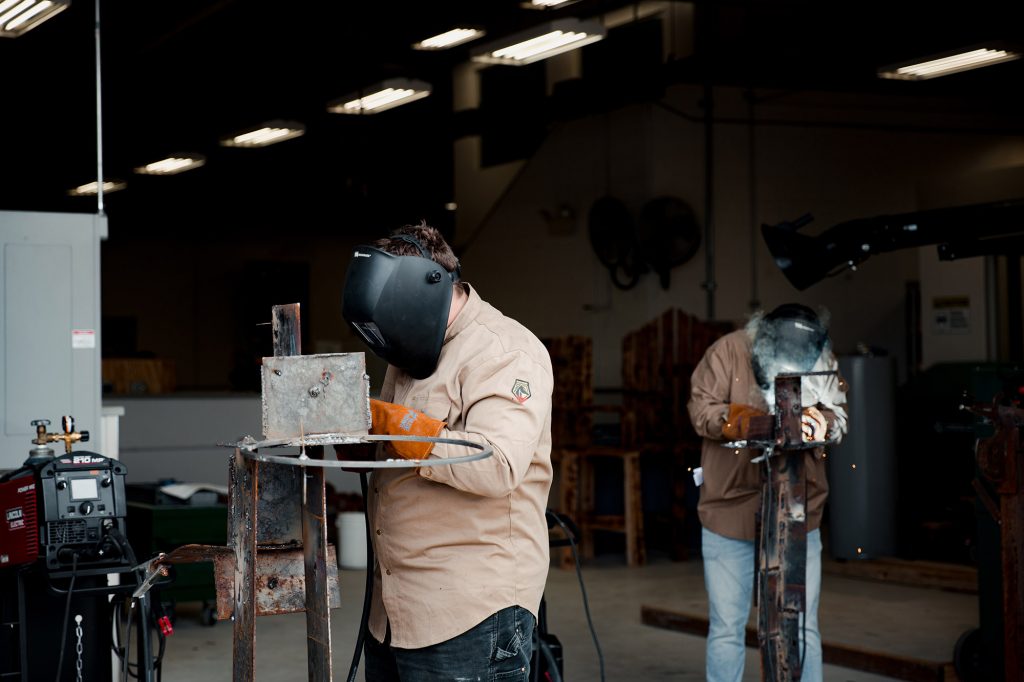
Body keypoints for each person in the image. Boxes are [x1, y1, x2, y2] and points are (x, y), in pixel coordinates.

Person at [340, 221, 554, 681]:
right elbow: (398, 448)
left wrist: (389, 422)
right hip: (396, 611)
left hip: (469, 612)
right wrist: (351, 432)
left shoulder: (505, 352)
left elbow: (496, 464)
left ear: (423, 288)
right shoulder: (413, 348)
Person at [687, 303, 849, 682]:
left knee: (803, 626)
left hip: (798, 510)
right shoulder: (728, 351)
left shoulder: (817, 352)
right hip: (730, 510)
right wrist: (745, 422)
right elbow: (701, 410)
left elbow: (838, 415)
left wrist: (817, 423)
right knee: (728, 627)